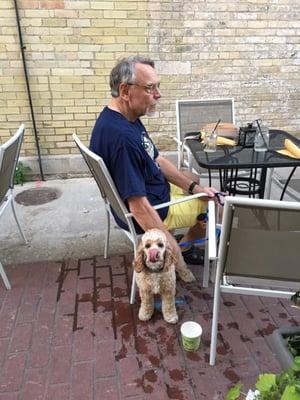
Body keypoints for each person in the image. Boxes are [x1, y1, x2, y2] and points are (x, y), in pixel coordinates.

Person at [90, 55, 218, 282]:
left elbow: (155, 158)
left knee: (195, 178)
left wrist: (192, 186)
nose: (158, 94)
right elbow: (139, 208)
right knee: (214, 203)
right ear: (125, 91)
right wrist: (172, 253)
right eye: (150, 88)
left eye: (157, 86)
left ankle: (186, 238)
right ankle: (185, 249)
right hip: (154, 208)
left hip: (152, 192)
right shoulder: (122, 139)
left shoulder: (122, 117)